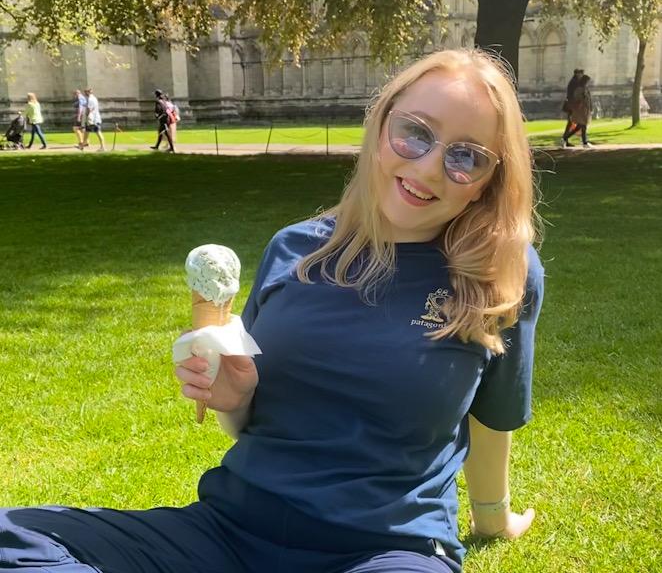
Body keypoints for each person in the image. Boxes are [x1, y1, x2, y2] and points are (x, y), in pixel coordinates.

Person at [0, 49, 544, 573]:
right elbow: (254, 417)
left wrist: (492, 517)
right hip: (233, 529)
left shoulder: (500, 272)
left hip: (386, 548)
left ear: (489, 182)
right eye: (416, 132)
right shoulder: (295, 249)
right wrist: (234, 399)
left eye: (466, 157)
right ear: (381, 124)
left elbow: (491, 415)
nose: (428, 168)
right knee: (13, 539)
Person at [562, 74, 593, 148]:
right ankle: (585, 142)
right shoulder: (579, 89)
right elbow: (577, 99)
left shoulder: (585, 89)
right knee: (583, 126)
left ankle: (565, 138)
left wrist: (590, 109)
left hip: (585, 110)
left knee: (579, 127)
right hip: (580, 111)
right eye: (587, 81)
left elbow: (588, 100)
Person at [560, 68, 583, 142]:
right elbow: (574, 95)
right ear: (577, 74)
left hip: (573, 105)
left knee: (570, 123)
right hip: (572, 106)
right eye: (580, 73)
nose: (581, 75)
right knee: (576, 122)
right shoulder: (574, 82)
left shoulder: (574, 82)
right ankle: (565, 138)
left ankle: (565, 139)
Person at [150, 88, 176, 152]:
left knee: (166, 133)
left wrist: (157, 115)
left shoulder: (158, 101)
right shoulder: (164, 101)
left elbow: (158, 109)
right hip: (166, 118)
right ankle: (157, 146)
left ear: (156, 95)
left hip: (163, 119)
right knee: (161, 132)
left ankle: (172, 148)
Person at [81, 87, 106, 151]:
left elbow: (89, 109)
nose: (85, 94)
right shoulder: (94, 98)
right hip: (93, 118)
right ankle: (83, 145)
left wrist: (86, 116)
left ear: (88, 92)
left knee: (98, 132)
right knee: (87, 131)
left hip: (93, 119)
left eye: (85, 92)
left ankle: (103, 147)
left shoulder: (90, 99)